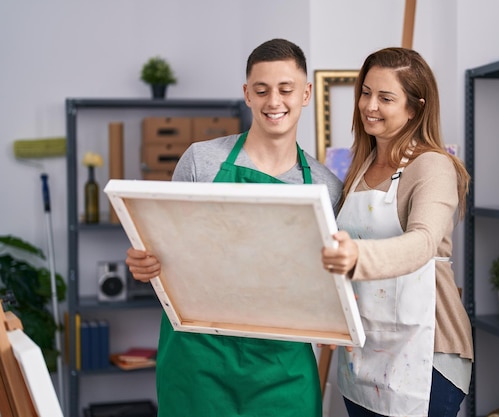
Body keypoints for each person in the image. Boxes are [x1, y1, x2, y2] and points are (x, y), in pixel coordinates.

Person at [125, 38, 343, 417]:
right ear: (247, 94)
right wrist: (143, 263)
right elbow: (161, 250)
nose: (274, 102)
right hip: (198, 358)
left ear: (306, 94)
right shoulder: (201, 161)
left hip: (281, 366)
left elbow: (326, 276)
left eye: (285, 89)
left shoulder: (325, 186)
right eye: (262, 90)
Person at [320, 47, 474, 417]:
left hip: (425, 353)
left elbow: (422, 243)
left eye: (386, 98)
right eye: (366, 92)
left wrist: (358, 256)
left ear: (415, 108)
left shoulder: (432, 167)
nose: (370, 105)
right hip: (364, 351)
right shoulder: (360, 167)